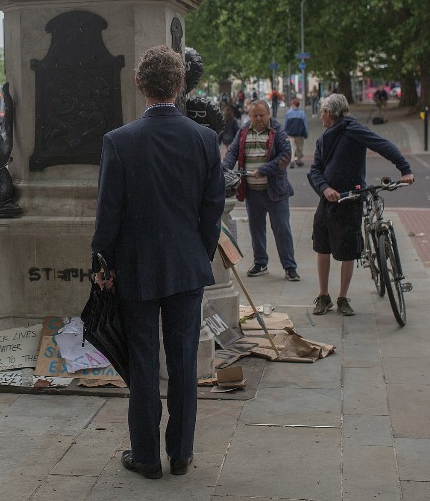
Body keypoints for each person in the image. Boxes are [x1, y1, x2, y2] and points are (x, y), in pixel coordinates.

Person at [91, 45, 225, 480]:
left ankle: (146, 456)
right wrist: (200, 252)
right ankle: (181, 453)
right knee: (184, 360)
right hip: (186, 264)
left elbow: (108, 213)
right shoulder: (204, 139)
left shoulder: (119, 141)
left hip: (136, 266)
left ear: (139, 83)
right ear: (181, 83)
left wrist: (103, 264)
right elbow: (213, 207)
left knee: (143, 360)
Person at [306, 94, 413, 316]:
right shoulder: (323, 139)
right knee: (322, 247)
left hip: (351, 199)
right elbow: (315, 170)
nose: (321, 116)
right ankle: (323, 296)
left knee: (348, 251)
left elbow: (383, 145)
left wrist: (405, 169)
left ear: (329, 113)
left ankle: (342, 297)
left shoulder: (353, 130)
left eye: (322, 112)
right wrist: (325, 189)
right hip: (327, 201)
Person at [223, 99, 299, 281]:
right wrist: (224, 169)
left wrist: (264, 170)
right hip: (252, 191)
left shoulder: (277, 131)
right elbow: (232, 152)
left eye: (261, 115)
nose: (258, 119)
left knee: (282, 229)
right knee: (256, 229)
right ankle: (260, 262)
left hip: (276, 192)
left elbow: (285, 157)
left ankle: (289, 266)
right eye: (254, 115)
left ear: (268, 114)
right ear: (249, 116)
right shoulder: (243, 131)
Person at [283, 98, 309, 168]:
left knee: (292, 147)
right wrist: (306, 133)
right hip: (300, 134)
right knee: (299, 148)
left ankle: (292, 161)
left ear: (293, 104)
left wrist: (284, 132)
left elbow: (285, 123)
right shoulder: (302, 113)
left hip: (290, 133)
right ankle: (298, 160)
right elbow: (305, 124)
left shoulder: (288, 113)